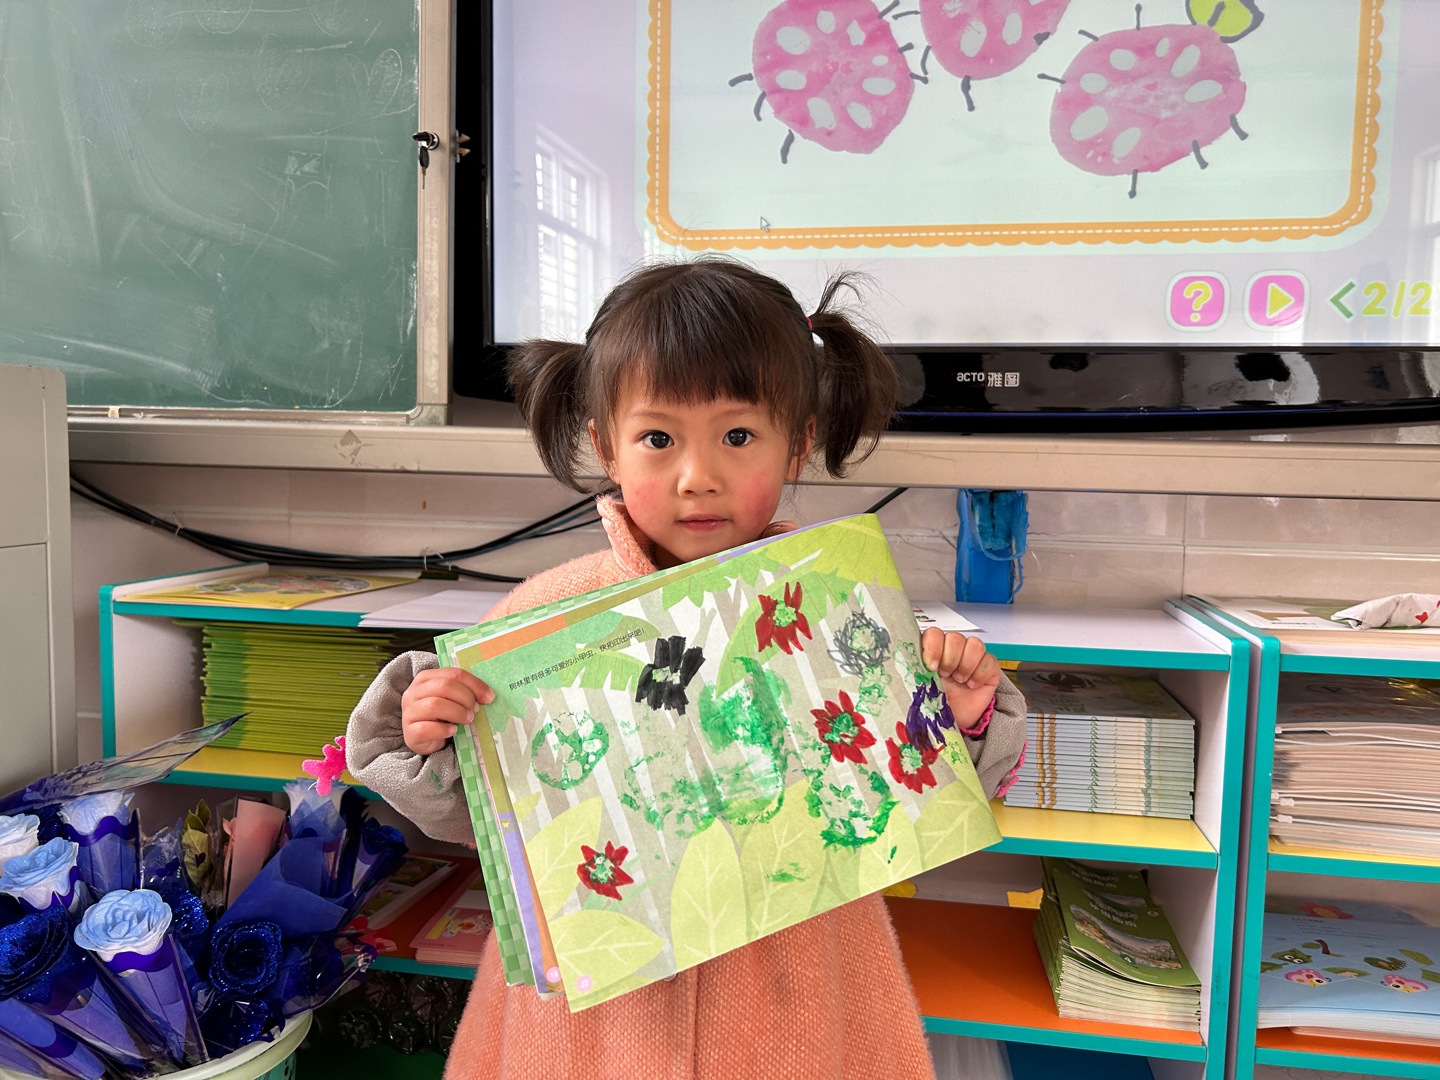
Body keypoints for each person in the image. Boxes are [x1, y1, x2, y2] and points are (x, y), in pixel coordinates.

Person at [347, 257, 1027, 1080]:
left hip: (800, 985)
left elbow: (926, 797)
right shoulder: (543, 622)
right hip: (599, 1022)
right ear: (607, 445)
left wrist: (956, 718)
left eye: (737, 437)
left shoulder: (840, 608)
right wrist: (431, 737)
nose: (697, 477)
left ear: (798, 443)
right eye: (658, 439)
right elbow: (481, 824)